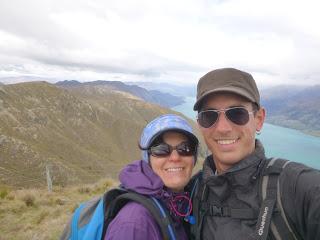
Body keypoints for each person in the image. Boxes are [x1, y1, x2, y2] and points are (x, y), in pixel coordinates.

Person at [190, 68, 320, 240]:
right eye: (209, 116)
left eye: (237, 113)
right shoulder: (193, 191)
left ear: (259, 119)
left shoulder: (298, 189)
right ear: (200, 124)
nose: (223, 128)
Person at [104, 114, 199, 240]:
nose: (175, 158)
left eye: (185, 148)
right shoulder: (135, 223)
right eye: (161, 150)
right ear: (147, 158)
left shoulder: (181, 204)